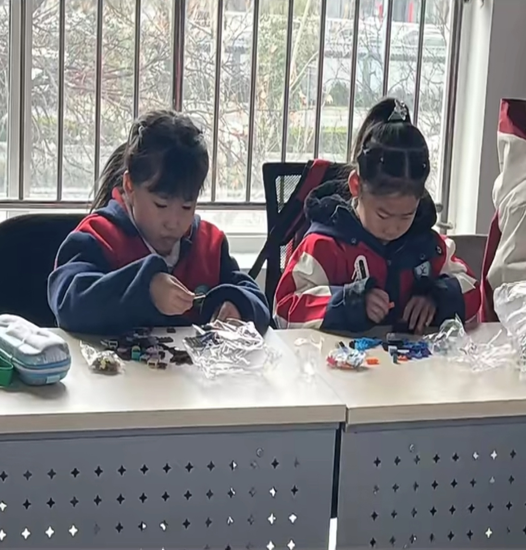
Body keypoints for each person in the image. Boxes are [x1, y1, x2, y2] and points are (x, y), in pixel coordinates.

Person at [48, 110, 270, 334]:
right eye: (161, 205)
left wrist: (238, 306)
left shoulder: (209, 246)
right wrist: (146, 289)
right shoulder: (98, 237)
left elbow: (256, 299)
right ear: (129, 186)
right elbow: (68, 304)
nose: (174, 223)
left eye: (187, 206)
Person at [274, 98, 481, 333]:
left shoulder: (428, 246)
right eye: (383, 215)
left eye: (406, 215)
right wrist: (350, 302)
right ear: (356, 185)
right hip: (334, 356)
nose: (393, 228)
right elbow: (283, 310)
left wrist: (436, 297)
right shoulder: (325, 246)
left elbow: (473, 291)